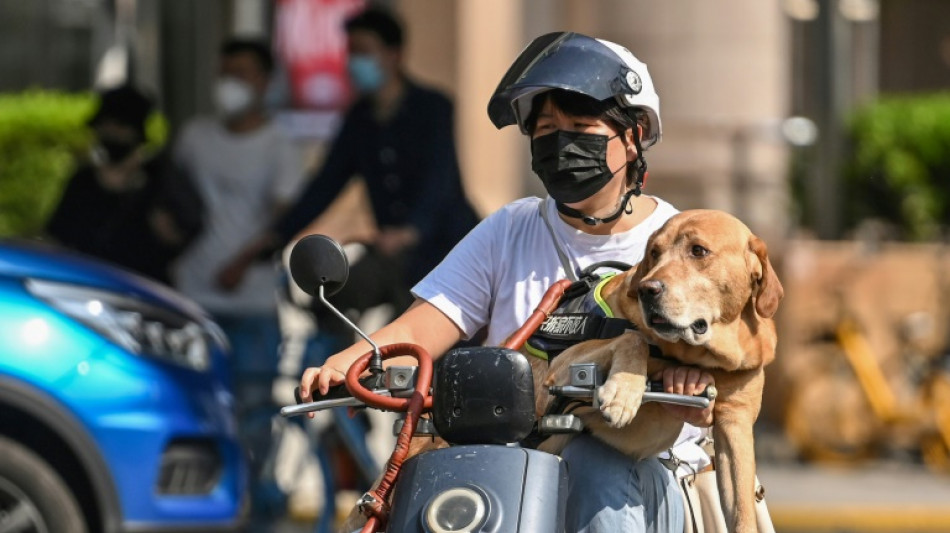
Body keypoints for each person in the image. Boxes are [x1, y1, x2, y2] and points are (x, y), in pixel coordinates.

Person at [300, 32, 718, 533]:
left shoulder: (683, 242)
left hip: (642, 469)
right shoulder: (511, 228)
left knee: (595, 465)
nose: (561, 143)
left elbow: (731, 352)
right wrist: (355, 358)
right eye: (546, 129)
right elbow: (431, 322)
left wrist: (691, 382)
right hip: (511, 467)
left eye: (581, 127)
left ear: (633, 136)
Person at [216, 6, 480, 315]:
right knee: (331, 302)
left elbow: (440, 178)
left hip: (450, 251)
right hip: (393, 258)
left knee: (450, 342)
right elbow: (325, 184)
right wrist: (276, 237)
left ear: (394, 54)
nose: (355, 61)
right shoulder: (359, 119)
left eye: (364, 52)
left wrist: (411, 230)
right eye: (351, 52)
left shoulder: (433, 108)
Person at [170, 38, 306, 528]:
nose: (230, 83)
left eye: (242, 73)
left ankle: (255, 516)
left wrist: (241, 261)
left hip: (250, 301)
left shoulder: (279, 146)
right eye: (225, 71)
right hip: (190, 299)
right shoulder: (193, 137)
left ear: (264, 82)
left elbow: (285, 218)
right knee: (191, 412)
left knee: (253, 416)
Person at [46, 85, 203, 285]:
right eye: (104, 127)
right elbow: (59, 235)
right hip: (91, 286)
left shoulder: (159, 177)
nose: (109, 134)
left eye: (118, 127)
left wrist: (170, 232)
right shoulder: (83, 181)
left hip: (144, 289)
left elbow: (185, 228)